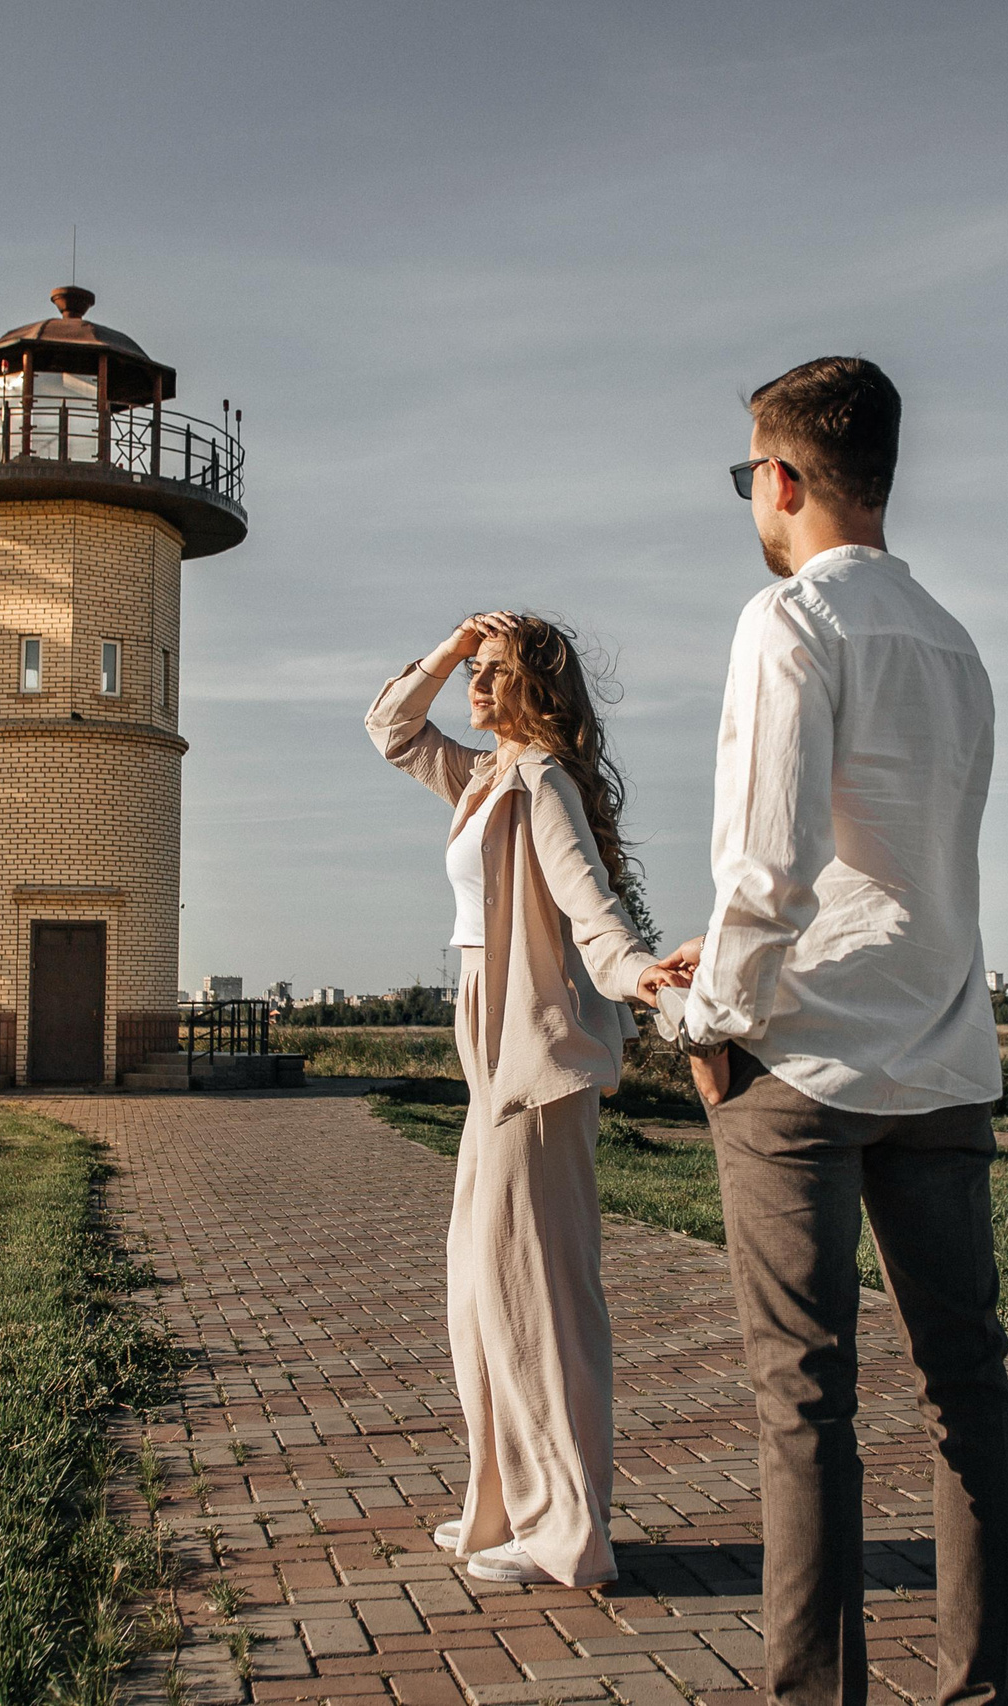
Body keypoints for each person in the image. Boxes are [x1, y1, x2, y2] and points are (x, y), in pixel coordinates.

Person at [658, 358, 1008, 1704]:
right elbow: (906, 866)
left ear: (781, 477)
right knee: (966, 1392)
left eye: (748, 477)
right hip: (938, 1047)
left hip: (800, 1060)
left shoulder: (787, 619)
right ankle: (978, 1687)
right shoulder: (950, 637)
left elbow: (771, 866)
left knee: (805, 1402)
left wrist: (708, 1013)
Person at [365, 611, 681, 1588]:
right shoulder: (481, 777)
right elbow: (388, 725)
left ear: (540, 688)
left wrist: (639, 974)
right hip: (487, 1058)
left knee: (537, 1298)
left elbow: (590, 907)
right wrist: (451, 645)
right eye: (477, 670)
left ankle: (567, 1532)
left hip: (534, 1059)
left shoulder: (540, 779)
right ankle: (508, 1507)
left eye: (497, 671)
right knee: (480, 1293)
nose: (477, 685)